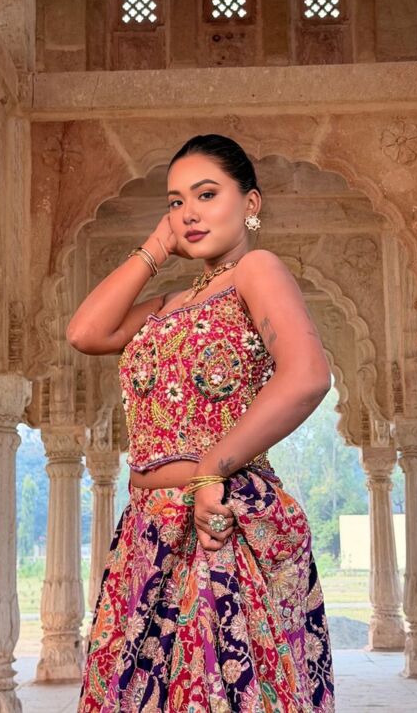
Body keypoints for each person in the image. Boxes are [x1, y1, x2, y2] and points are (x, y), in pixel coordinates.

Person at [67, 134, 335, 712]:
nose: (188, 212)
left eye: (207, 194)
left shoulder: (256, 271)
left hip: (215, 522)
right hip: (146, 532)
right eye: (175, 201)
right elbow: (86, 332)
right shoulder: (169, 304)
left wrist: (213, 468)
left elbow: (308, 374)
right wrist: (156, 246)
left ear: (250, 204)